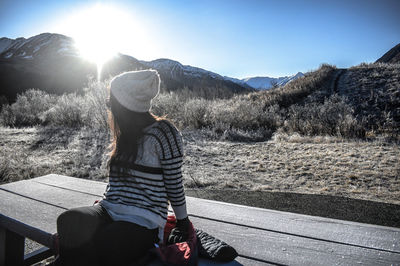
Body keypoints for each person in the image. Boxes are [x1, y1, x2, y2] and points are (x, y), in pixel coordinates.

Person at [54, 70, 190, 266]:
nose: (108, 105)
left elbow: (174, 183)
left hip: (144, 219)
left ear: (126, 105)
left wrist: (182, 222)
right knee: (69, 220)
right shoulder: (125, 133)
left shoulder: (165, 133)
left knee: (108, 242)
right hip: (109, 209)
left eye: (112, 101)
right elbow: (115, 185)